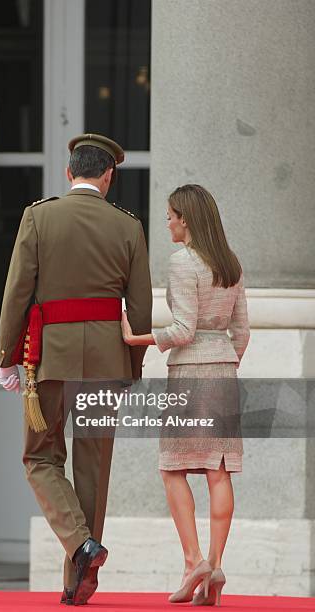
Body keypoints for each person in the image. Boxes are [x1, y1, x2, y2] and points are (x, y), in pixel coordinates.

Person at [0, 133, 152, 605]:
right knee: (93, 468)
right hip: (106, 360)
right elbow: (140, 308)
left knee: (40, 457)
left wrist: (6, 358)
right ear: (109, 175)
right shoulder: (129, 225)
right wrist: (134, 366)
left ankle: (81, 547)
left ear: (69, 173)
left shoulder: (38, 216)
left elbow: (17, 292)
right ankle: (76, 582)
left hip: (50, 359)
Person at [121, 184, 250, 606]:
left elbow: (184, 331)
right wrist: (226, 362)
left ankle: (194, 559)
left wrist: (136, 337)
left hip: (191, 373)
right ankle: (214, 565)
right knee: (220, 470)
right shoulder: (231, 265)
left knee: (171, 467)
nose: (168, 222)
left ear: (187, 220)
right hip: (224, 371)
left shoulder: (183, 263)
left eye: (172, 215)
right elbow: (242, 333)